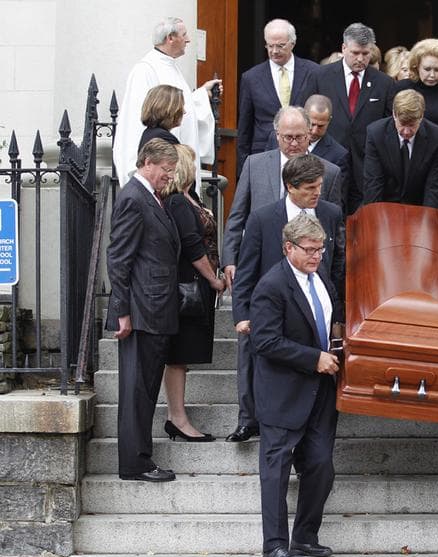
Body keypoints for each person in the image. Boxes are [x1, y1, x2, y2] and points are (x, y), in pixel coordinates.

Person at [222, 106, 342, 443]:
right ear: (276, 136)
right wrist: (230, 261)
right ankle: (249, 418)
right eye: (286, 137)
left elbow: (336, 236)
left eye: (299, 136)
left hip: (312, 284)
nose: (292, 142)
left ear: (310, 135)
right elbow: (238, 216)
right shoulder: (255, 165)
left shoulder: (329, 173)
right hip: (264, 275)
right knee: (251, 349)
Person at [251, 214, 341, 557]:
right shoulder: (271, 285)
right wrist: (313, 358)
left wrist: (338, 341)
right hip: (283, 392)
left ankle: (305, 535)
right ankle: (273, 549)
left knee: (321, 465)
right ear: (288, 248)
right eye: (310, 250)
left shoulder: (322, 280)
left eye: (321, 249)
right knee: (275, 472)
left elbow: (329, 319)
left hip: (321, 391)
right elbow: (265, 340)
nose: (317, 256)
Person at [106, 139, 181, 482]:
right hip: (141, 311)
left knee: (145, 387)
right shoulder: (134, 198)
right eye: (166, 170)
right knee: (137, 389)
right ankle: (136, 463)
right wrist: (121, 311)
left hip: (154, 308)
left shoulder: (148, 196)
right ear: (148, 163)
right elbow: (118, 258)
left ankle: (139, 459)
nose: (169, 176)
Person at [232, 154, 345, 357]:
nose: (317, 193)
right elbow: (246, 270)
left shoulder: (331, 214)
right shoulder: (261, 219)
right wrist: (241, 315)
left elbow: (337, 266)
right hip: (275, 313)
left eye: (319, 186)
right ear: (291, 186)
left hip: (317, 314)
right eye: (310, 188)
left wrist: (338, 317)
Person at [162, 145, 226, 441]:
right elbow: (192, 246)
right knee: (178, 355)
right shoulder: (177, 201)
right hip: (189, 286)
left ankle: (178, 417)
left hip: (198, 286)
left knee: (183, 355)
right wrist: (213, 279)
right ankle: (177, 418)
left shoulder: (191, 198)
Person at [113, 17, 219, 189]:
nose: (188, 39)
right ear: (170, 38)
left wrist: (201, 95)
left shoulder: (171, 67)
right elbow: (138, 120)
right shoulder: (145, 70)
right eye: (184, 35)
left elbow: (177, 106)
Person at [302, 22, 394, 214]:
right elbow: (304, 114)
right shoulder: (320, 76)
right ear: (344, 48)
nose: (360, 58)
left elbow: (388, 127)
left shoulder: (383, 83)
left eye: (365, 53)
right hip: (328, 160)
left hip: (367, 166)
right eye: (355, 53)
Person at [237, 18, 319, 172]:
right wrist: (243, 169)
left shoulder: (313, 72)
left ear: (292, 43)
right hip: (263, 155)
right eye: (270, 46)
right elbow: (244, 127)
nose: (274, 51)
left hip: (303, 155)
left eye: (280, 46)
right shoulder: (251, 77)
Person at [362, 89, 438, 210]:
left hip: (420, 208)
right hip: (385, 207)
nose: (406, 132)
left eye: (412, 125)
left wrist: (427, 222)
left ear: (421, 117)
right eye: (402, 124)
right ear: (394, 114)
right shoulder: (376, 133)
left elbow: (435, 187)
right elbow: (373, 183)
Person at [265, 95, 351, 200]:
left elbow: (336, 204)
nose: (314, 131)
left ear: (329, 121)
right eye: (312, 124)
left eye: (320, 126)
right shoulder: (276, 139)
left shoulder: (338, 156)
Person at [137, 85, 183, 150]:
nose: (184, 111)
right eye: (181, 106)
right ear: (169, 109)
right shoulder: (165, 138)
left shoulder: (149, 133)